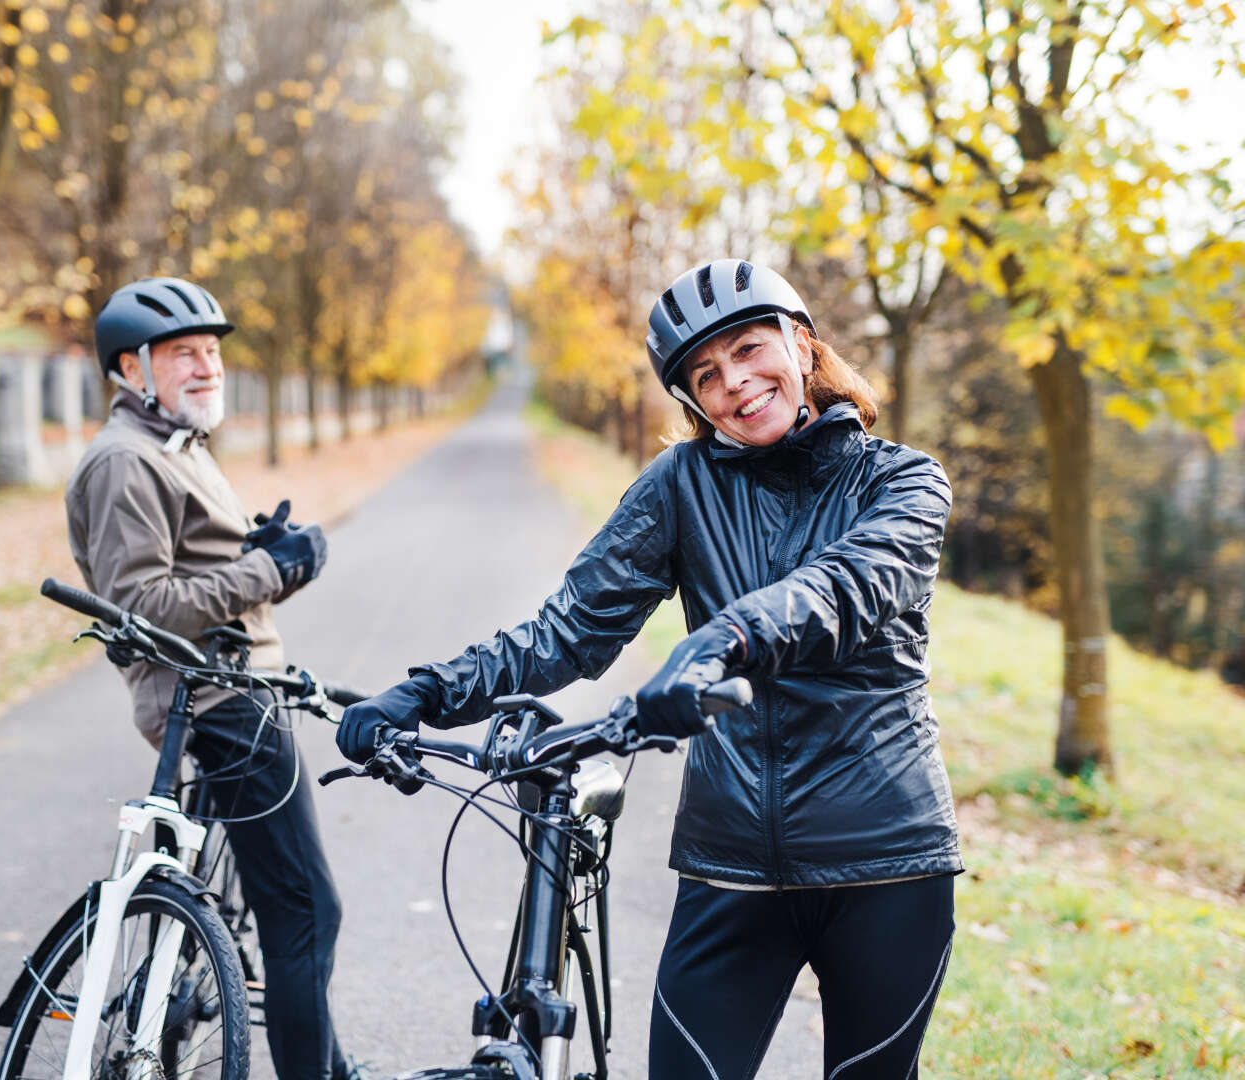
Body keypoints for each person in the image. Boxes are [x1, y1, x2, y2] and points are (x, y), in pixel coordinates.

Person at [337, 259, 960, 1079]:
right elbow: (568, 633)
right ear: (692, 401)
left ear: (801, 345)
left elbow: (844, 588)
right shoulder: (680, 486)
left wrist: (717, 644)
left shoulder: (902, 480)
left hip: (885, 858)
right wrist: (426, 692)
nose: (735, 382)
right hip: (729, 862)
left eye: (747, 349)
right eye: (706, 374)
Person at [65, 276, 355, 1080]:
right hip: (218, 701)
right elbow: (143, 605)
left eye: (214, 353)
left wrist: (261, 554)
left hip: (236, 689)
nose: (207, 367)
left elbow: (193, 567)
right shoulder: (125, 462)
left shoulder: (172, 447)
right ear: (132, 368)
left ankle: (332, 1062)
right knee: (304, 912)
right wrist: (266, 570)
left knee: (282, 906)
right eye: (184, 353)